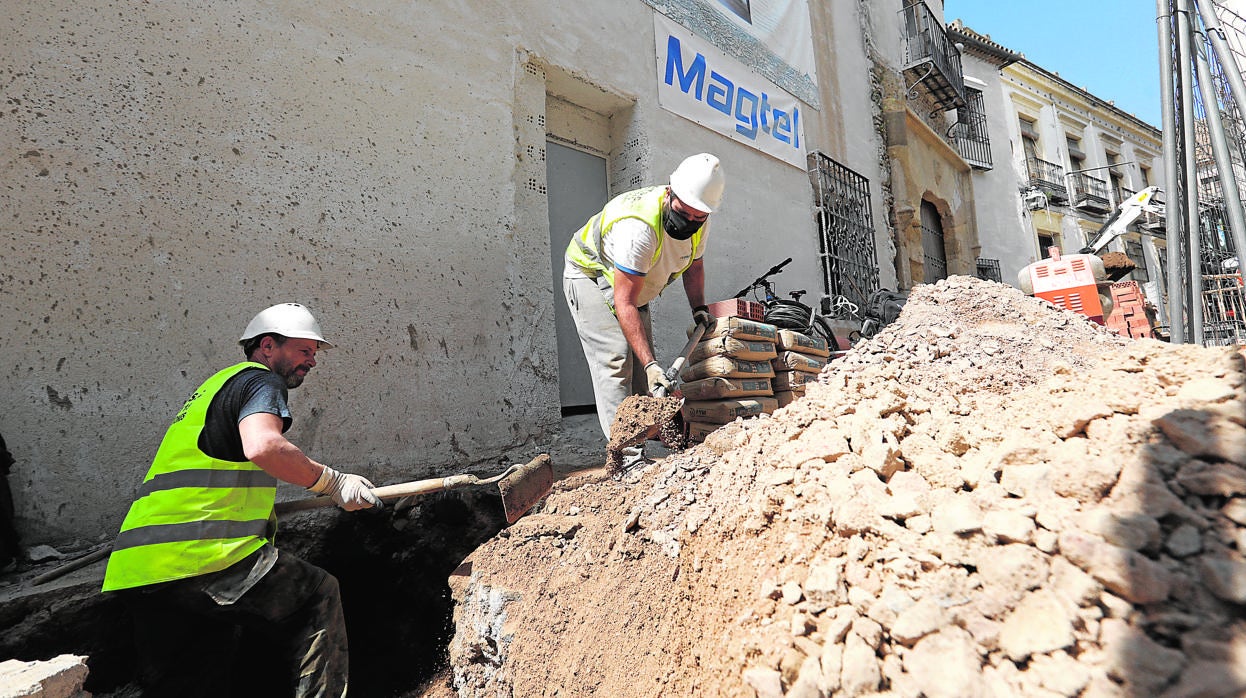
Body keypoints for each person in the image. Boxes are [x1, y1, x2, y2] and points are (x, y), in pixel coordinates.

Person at [102, 302, 380, 697]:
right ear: (268, 346)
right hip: (203, 556)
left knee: (192, 676)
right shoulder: (260, 382)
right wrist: (331, 482)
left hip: (141, 569)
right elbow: (264, 446)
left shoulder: (213, 388)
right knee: (317, 594)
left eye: (314, 354)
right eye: (304, 351)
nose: (312, 362)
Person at [562, 153, 725, 452]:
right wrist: (651, 363)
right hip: (590, 273)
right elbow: (624, 302)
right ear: (669, 193)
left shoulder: (701, 218)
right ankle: (626, 454)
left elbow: (694, 265)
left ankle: (647, 438)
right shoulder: (638, 229)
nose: (688, 222)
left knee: (645, 377)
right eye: (682, 212)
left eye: (697, 218)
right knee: (617, 360)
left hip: (633, 284)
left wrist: (698, 308)